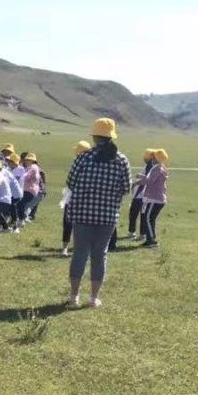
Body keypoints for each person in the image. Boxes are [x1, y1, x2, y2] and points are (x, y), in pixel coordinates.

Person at [65, 118, 131, 308]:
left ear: (94, 137)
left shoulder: (83, 157)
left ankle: (73, 297)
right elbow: (126, 188)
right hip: (107, 216)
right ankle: (93, 298)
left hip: (82, 214)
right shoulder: (121, 160)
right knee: (99, 255)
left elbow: (70, 182)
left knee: (79, 254)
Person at [61, 139, 91, 255]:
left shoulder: (78, 162)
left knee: (68, 222)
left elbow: (70, 180)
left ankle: (66, 247)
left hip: (74, 195)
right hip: (85, 198)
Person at [137, 148, 169, 247]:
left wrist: (139, 181)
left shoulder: (156, 168)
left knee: (147, 218)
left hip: (154, 198)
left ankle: (152, 241)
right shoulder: (161, 168)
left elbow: (150, 181)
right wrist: (142, 177)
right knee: (150, 219)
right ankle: (150, 238)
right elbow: (151, 179)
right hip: (158, 199)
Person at [128, 149, 155, 238]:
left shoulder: (149, 166)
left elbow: (146, 180)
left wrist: (136, 183)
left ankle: (133, 232)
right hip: (145, 195)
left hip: (141, 194)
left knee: (134, 213)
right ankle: (142, 233)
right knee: (143, 213)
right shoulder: (151, 166)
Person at [20, 153, 42, 224]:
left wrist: (21, 177)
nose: (25, 161)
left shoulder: (33, 167)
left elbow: (27, 175)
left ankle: (21, 219)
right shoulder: (32, 167)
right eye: (26, 160)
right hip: (29, 189)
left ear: (32, 161)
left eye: (28, 160)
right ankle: (21, 219)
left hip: (30, 190)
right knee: (21, 204)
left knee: (21, 204)